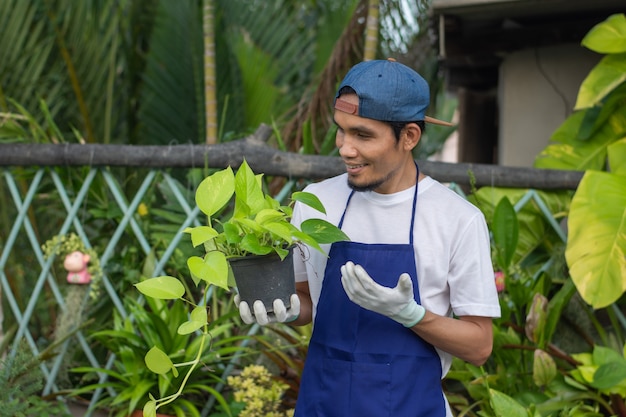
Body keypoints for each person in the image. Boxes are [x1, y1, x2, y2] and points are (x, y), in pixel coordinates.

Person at [236, 58, 501, 417]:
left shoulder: (457, 219)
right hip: (322, 404)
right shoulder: (316, 204)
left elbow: (479, 345)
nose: (345, 148)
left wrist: (410, 315)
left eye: (363, 135)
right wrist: (287, 308)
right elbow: (305, 298)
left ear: (409, 136)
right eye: (341, 130)